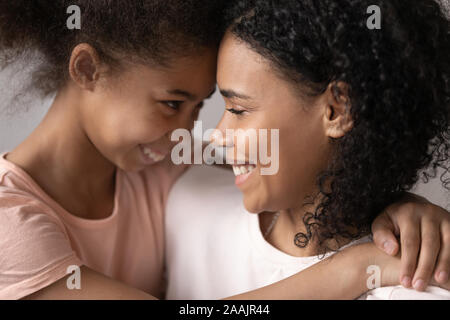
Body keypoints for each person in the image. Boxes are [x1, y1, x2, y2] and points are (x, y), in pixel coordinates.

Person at [0, 0, 448, 300]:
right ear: (86, 69)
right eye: (172, 104)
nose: (197, 132)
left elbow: (313, 164)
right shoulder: (9, 222)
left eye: (201, 106)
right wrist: (354, 268)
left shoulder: (160, 168)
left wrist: (400, 204)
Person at [165, 0, 450, 299]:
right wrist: (353, 268)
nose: (218, 136)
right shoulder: (189, 205)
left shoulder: (411, 290)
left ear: (337, 110)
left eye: (238, 110)